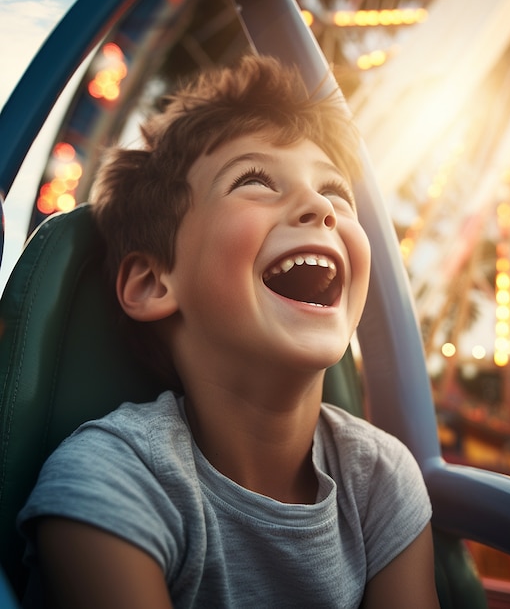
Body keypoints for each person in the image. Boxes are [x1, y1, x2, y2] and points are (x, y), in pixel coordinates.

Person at [17, 55, 439, 608]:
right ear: (152, 283)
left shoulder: (382, 478)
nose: (320, 207)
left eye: (336, 192)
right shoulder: (112, 480)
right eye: (256, 181)